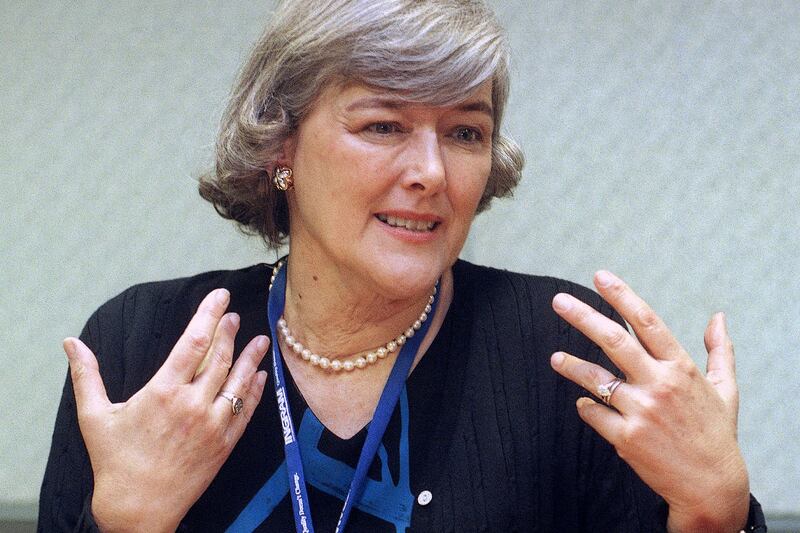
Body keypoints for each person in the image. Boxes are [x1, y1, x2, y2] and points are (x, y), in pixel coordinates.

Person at [39, 0, 766, 531]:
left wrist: (715, 510)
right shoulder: (146, 344)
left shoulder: (567, 358)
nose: (430, 171)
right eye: (382, 125)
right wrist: (126, 522)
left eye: (464, 132)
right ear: (280, 148)